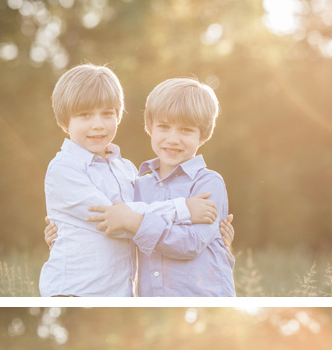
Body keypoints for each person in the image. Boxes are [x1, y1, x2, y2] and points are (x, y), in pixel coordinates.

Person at [39, 64, 222, 297]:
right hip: (76, 292)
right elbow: (117, 221)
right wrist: (183, 209)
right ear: (65, 122)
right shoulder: (64, 169)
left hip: (119, 294)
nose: (98, 124)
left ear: (118, 115)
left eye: (107, 114)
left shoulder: (126, 170)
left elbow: (138, 219)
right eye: (85, 115)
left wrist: (215, 237)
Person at [85, 77, 235, 296]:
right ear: (150, 127)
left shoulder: (208, 183)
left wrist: (135, 222)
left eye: (185, 130)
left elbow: (190, 243)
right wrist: (64, 235)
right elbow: (111, 224)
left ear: (202, 134)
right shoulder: (135, 186)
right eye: (164, 127)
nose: (173, 139)